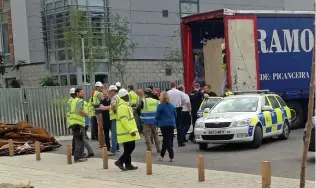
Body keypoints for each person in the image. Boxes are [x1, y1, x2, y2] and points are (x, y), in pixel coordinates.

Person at [114, 88, 140, 171]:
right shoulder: (122, 107)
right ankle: (120, 161)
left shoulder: (125, 106)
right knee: (131, 147)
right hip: (126, 132)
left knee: (127, 148)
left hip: (126, 132)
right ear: (125, 96)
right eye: (127, 95)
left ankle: (128, 164)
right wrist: (130, 130)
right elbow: (124, 120)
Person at [137, 88, 161, 152]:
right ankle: (158, 148)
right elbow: (160, 110)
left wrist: (140, 115)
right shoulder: (156, 101)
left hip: (145, 121)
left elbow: (137, 109)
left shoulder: (143, 101)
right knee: (155, 134)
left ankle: (149, 149)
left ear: (145, 94)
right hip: (154, 121)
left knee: (147, 134)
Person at [69, 88, 89, 163]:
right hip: (78, 124)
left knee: (78, 140)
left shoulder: (73, 101)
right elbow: (79, 110)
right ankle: (77, 157)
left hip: (74, 123)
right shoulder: (80, 101)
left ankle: (79, 156)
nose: (83, 93)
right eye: (81, 92)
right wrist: (86, 115)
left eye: (83, 92)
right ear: (77, 93)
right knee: (79, 141)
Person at [155, 92, 176, 162]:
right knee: (166, 139)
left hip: (164, 124)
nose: (159, 97)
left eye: (160, 96)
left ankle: (171, 153)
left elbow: (157, 117)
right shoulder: (172, 106)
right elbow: (175, 115)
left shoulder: (160, 106)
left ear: (162, 97)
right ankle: (161, 155)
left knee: (167, 140)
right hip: (171, 124)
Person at [167, 81, 186, 147]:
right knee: (179, 126)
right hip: (178, 109)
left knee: (170, 126)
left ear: (170, 85)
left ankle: (171, 143)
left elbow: (166, 101)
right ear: (175, 85)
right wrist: (181, 105)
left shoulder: (168, 93)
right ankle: (180, 142)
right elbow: (184, 100)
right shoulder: (180, 92)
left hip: (170, 109)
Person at [92, 82, 105, 148]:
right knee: (101, 127)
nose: (102, 88)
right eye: (100, 87)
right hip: (100, 111)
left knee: (99, 128)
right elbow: (103, 100)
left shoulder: (94, 93)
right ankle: (102, 143)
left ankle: (101, 143)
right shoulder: (99, 94)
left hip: (97, 111)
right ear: (97, 87)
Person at [108, 85, 121, 155]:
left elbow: (113, 105)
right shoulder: (119, 97)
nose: (109, 93)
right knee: (117, 134)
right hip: (119, 118)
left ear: (113, 91)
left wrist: (114, 110)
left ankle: (113, 150)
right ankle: (116, 148)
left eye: (110, 91)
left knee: (114, 135)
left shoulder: (114, 98)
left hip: (114, 118)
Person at [67, 88, 76, 155]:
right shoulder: (72, 101)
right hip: (73, 121)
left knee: (75, 137)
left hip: (71, 121)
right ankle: (74, 151)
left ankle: (74, 151)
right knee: (76, 137)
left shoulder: (70, 101)